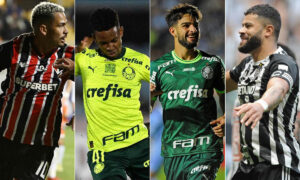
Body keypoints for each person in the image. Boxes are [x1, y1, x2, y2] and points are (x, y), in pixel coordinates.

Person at [150, 3, 225, 180]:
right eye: (186, 25)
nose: (193, 30)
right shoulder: (159, 67)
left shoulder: (213, 63)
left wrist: (224, 118)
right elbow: (149, 108)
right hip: (174, 152)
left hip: (203, 150)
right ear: (173, 31)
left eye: (195, 25)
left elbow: (223, 95)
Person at [0, 2, 74, 180]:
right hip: (7, 139)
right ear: (43, 29)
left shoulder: (70, 56)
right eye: (60, 25)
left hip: (41, 144)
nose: (66, 31)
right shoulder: (14, 49)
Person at [226, 4, 300, 180]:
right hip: (248, 167)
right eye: (242, 25)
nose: (241, 31)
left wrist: (262, 104)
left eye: (248, 26)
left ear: (268, 30)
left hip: (277, 166)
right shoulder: (247, 65)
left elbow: (278, 88)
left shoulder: (283, 62)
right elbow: (220, 83)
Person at [75, 8, 150, 180]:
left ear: (121, 32)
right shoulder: (85, 60)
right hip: (104, 151)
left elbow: (164, 82)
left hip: (138, 144)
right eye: (104, 43)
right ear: (95, 39)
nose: (110, 47)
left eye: (114, 40)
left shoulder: (139, 61)